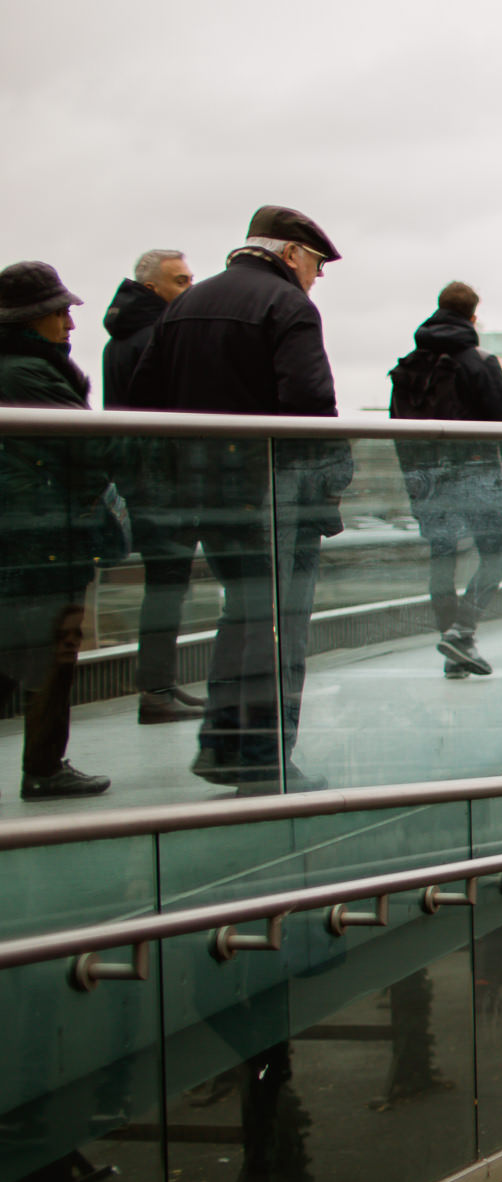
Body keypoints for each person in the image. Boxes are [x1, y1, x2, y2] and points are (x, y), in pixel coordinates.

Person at [125, 205, 351, 793]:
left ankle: (223, 749)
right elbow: (309, 404)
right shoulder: (288, 305)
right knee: (282, 626)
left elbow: (144, 398)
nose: (318, 276)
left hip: (206, 494)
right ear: (292, 254)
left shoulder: (184, 305)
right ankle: (266, 760)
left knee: (243, 615)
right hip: (275, 493)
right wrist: (327, 489)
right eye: (318, 264)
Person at [0, 261, 112, 798]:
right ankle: (43, 769)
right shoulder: (29, 374)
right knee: (51, 656)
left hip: (24, 536)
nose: (70, 324)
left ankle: (44, 767)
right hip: (42, 539)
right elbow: (90, 448)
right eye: (61, 313)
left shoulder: (22, 369)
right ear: (32, 318)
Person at [389, 281, 502, 680]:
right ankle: (462, 633)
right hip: (476, 474)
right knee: (496, 555)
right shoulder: (479, 361)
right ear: (473, 316)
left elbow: (396, 428)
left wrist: (415, 479)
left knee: (442, 559)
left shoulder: (409, 364)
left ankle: (452, 652)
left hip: (426, 478)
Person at [100, 248, 201, 725]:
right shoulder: (158, 337)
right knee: (167, 586)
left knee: (165, 584)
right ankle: (156, 691)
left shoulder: (121, 338)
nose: (189, 288)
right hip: (164, 479)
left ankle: (159, 686)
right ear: (151, 287)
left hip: (141, 475)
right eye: (180, 281)